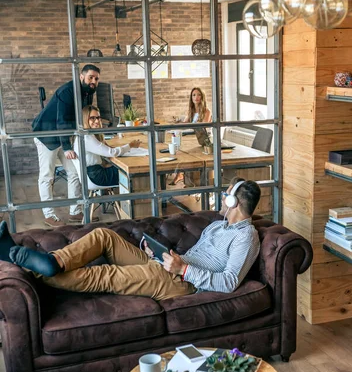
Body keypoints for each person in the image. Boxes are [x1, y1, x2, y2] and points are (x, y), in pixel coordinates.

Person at [1, 178, 261, 302]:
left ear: (234, 202)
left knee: (107, 274)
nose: (222, 199)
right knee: (104, 236)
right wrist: (158, 254)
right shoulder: (218, 225)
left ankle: (27, 265)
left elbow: (229, 282)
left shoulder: (246, 237)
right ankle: (53, 262)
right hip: (169, 266)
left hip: (184, 283)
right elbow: (195, 254)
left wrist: (183, 269)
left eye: (226, 195)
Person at [32, 64, 101, 228]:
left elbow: (83, 116)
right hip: (46, 135)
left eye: (96, 79)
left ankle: (75, 212)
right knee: (47, 176)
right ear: (81, 76)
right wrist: (67, 148)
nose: (93, 81)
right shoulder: (67, 92)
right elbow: (62, 121)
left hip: (64, 137)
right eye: (90, 77)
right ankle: (48, 215)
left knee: (74, 172)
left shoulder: (88, 92)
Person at [74, 105, 141, 187]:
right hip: (97, 176)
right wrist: (131, 145)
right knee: (133, 172)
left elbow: (106, 150)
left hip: (92, 174)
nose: (97, 121)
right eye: (92, 118)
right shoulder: (87, 138)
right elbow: (112, 153)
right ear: (85, 119)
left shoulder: (85, 135)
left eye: (98, 118)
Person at [171, 87, 212, 186]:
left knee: (186, 153)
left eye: (198, 95)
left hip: (203, 140)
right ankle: (181, 173)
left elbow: (203, 127)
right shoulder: (191, 111)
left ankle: (182, 175)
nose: (196, 97)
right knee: (181, 151)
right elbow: (186, 123)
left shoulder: (206, 111)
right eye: (194, 95)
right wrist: (177, 124)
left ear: (202, 97)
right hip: (191, 138)